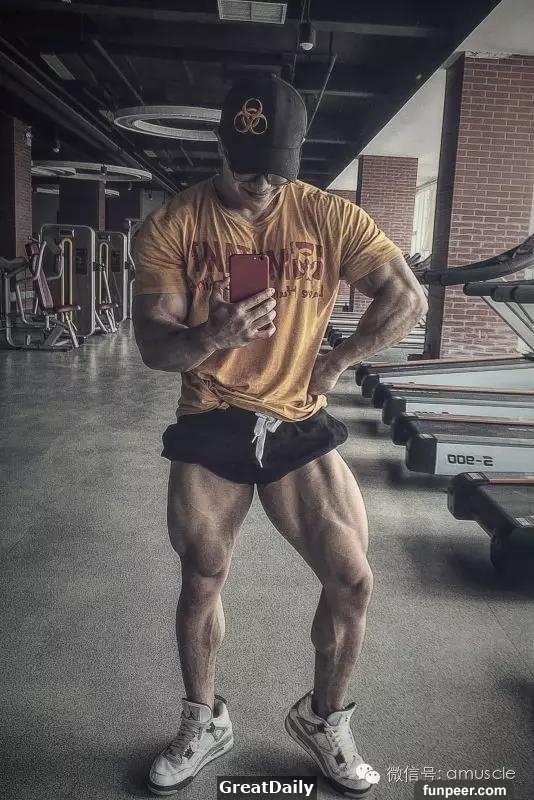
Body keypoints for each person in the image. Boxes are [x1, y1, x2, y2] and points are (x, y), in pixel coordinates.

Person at [133, 73, 427, 797]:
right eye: (247, 168)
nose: (262, 184)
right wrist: (211, 334)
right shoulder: (172, 225)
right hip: (210, 417)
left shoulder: (329, 216)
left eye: (277, 170)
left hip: (297, 416)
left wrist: (338, 360)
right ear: (221, 146)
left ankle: (324, 720)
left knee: (351, 579)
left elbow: (407, 296)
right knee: (203, 571)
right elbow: (153, 346)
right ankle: (203, 721)